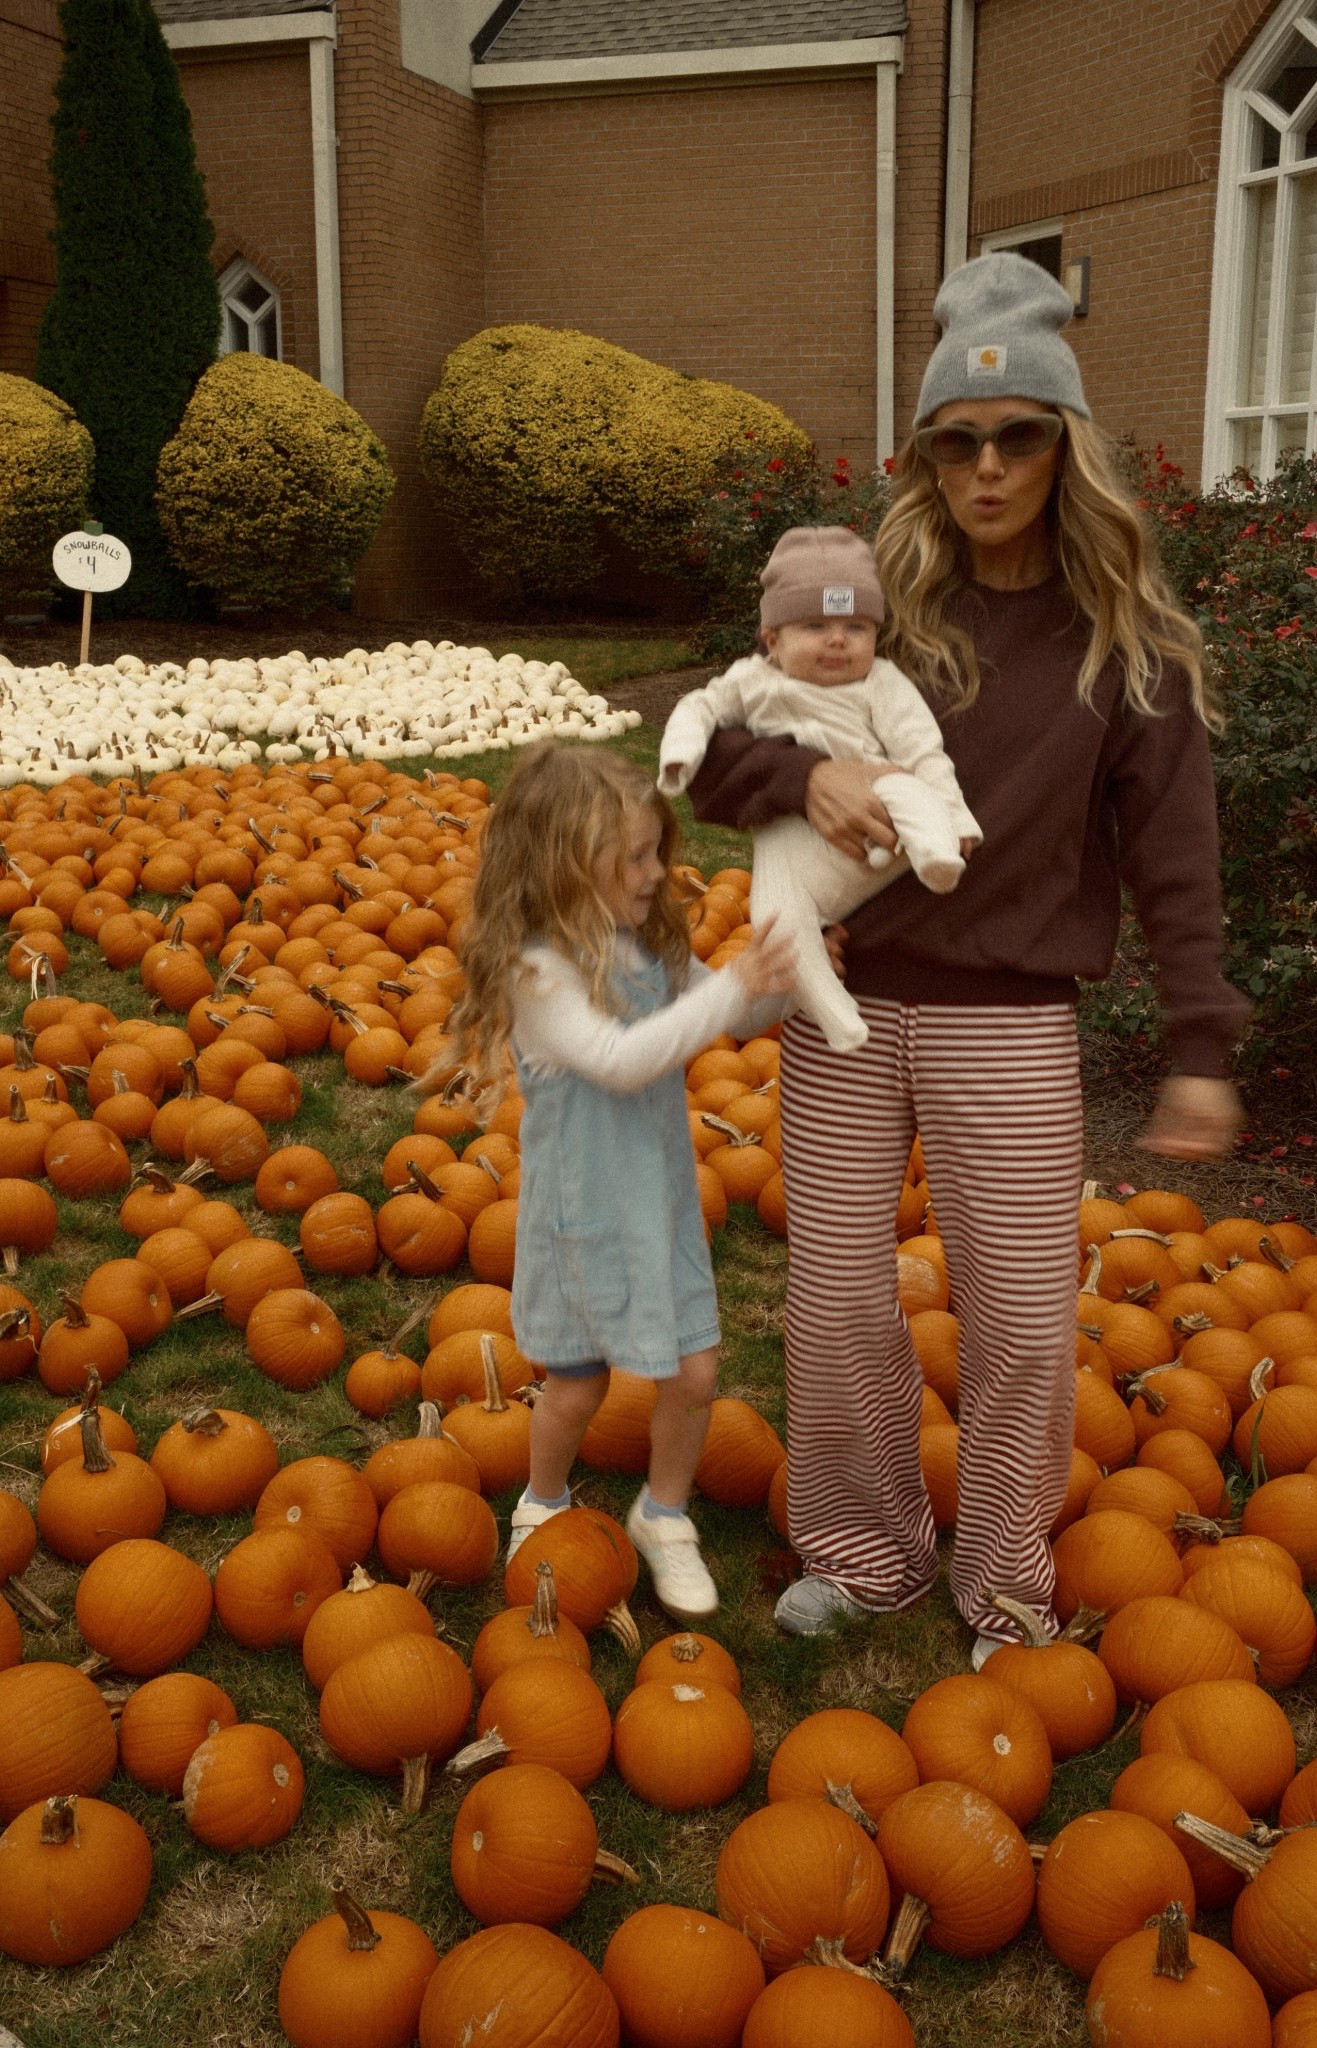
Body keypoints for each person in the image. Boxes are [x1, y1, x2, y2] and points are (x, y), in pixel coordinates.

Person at [687, 251, 1250, 1658]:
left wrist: (1199, 1048)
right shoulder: (872, 620)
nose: (987, 466)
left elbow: (1178, 863)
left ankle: (1003, 1584)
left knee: (1013, 1322)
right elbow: (713, 746)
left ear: (1067, 447)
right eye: (957, 441)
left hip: (1011, 1018)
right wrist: (794, 781)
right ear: (927, 457)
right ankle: (866, 1550)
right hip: (845, 1009)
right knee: (832, 1300)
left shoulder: (1128, 653)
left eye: (1018, 437)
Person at [442, 741, 796, 1624]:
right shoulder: (538, 973)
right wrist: (726, 997)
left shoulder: (647, 947)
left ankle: (662, 1512)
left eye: (654, 851)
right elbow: (622, 1060)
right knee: (577, 1385)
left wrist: (788, 976)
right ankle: (542, 1498)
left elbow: (732, 1005)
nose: (654, 872)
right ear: (564, 867)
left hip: (661, 1206)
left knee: (696, 1373)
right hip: (581, 1218)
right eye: (632, 858)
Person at [658, 526, 981, 1053]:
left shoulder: (881, 682)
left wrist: (956, 818)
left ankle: (936, 855)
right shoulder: (752, 680)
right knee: (776, 917)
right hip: (792, 839)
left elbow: (924, 750)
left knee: (906, 786)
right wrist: (679, 755)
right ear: (773, 638)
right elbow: (700, 708)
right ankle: (835, 1014)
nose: (837, 639)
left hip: (880, 797)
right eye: (815, 625)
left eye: (856, 626)